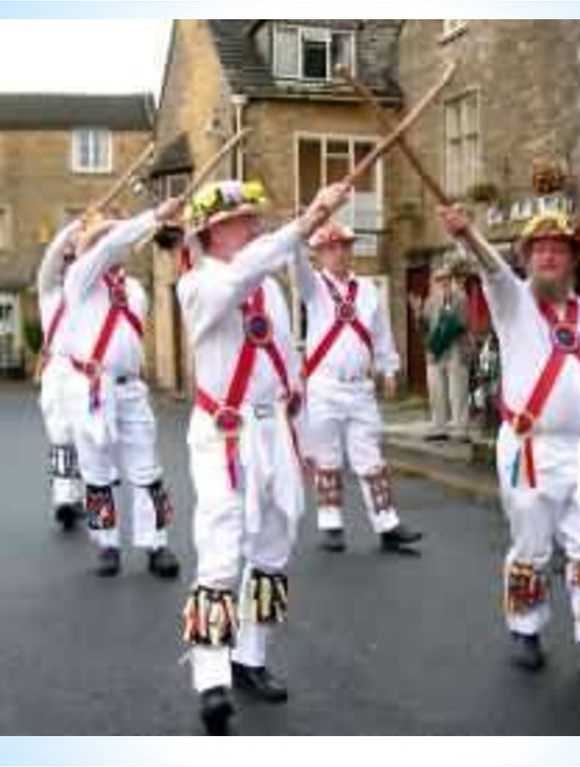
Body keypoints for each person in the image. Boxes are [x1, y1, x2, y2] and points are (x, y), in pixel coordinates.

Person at [437, 205, 580, 689]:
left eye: (559, 249)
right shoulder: (513, 302)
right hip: (530, 448)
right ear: (526, 259)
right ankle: (526, 630)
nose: (548, 256)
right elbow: (491, 268)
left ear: (575, 259)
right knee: (531, 545)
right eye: (539, 250)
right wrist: (469, 235)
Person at [177, 179, 351, 734]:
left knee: (276, 544)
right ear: (211, 232)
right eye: (242, 220)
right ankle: (211, 677)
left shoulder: (271, 291)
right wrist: (304, 223)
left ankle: (252, 656)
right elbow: (240, 276)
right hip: (223, 434)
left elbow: (288, 371)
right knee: (222, 548)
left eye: (255, 218)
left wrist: (303, 441)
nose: (253, 225)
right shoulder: (198, 286)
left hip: (272, 430)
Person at [52, 201, 183, 579]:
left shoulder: (134, 289)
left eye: (113, 236)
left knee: (148, 469)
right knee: (96, 470)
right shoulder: (78, 279)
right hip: (89, 388)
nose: (111, 243)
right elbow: (107, 249)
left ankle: (156, 544)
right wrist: (152, 216)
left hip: (129, 389)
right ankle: (107, 544)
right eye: (101, 238)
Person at [294, 220, 423, 554]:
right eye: (332, 247)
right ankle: (331, 523)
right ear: (320, 253)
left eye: (345, 246)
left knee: (370, 457)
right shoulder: (314, 287)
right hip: (325, 385)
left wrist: (389, 366)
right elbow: (297, 263)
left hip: (360, 388)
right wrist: (298, 231)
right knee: (328, 456)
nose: (340, 253)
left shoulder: (366, 289)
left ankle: (388, 524)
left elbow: (380, 331)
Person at [36, 218, 85, 531]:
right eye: (65, 260)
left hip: (86, 370)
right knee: (61, 437)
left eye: (73, 259)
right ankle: (65, 499)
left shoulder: (90, 294)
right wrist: (74, 227)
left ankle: (78, 496)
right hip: (59, 368)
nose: (67, 264)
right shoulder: (48, 292)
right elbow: (50, 258)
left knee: (85, 439)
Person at [409, 266, 471, 441]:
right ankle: (439, 427)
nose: (442, 282)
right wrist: (418, 313)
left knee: (457, 391)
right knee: (436, 390)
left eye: (445, 278)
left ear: (451, 280)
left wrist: (438, 343)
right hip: (435, 351)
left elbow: (460, 324)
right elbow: (423, 329)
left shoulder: (460, 298)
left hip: (456, 348)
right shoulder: (430, 301)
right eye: (438, 279)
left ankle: (460, 429)